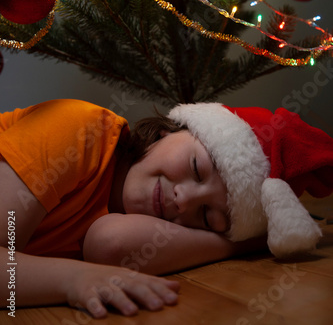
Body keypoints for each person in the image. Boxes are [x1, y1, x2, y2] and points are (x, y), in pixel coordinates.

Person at [1, 99, 332, 319]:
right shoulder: (80, 130)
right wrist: (73, 280)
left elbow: (110, 245)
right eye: (196, 168)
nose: (184, 201)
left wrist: (248, 240)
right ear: (166, 132)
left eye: (207, 216)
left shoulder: (127, 219)